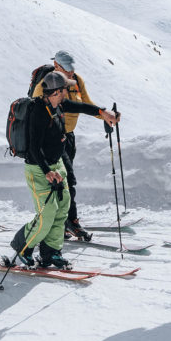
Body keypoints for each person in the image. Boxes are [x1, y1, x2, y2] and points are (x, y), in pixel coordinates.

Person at [9, 71, 119, 269]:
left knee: (62, 208)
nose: (68, 92)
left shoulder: (58, 105)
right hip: (39, 170)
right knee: (47, 213)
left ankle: (51, 252)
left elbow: (81, 107)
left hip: (57, 166)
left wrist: (103, 113)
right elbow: (34, 147)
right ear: (56, 92)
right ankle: (23, 246)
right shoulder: (38, 112)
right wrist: (47, 171)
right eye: (65, 89)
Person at [28, 50, 104, 241]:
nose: (71, 72)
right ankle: (68, 221)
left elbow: (84, 104)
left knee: (65, 181)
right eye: (67, 68)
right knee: (68, 180)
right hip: (51, 140)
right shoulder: (47, 86)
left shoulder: (76, 80)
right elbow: (37, 112)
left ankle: (61, 222)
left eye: (72, 68)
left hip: (67, 137)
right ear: (57, 66)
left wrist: (104, 115)